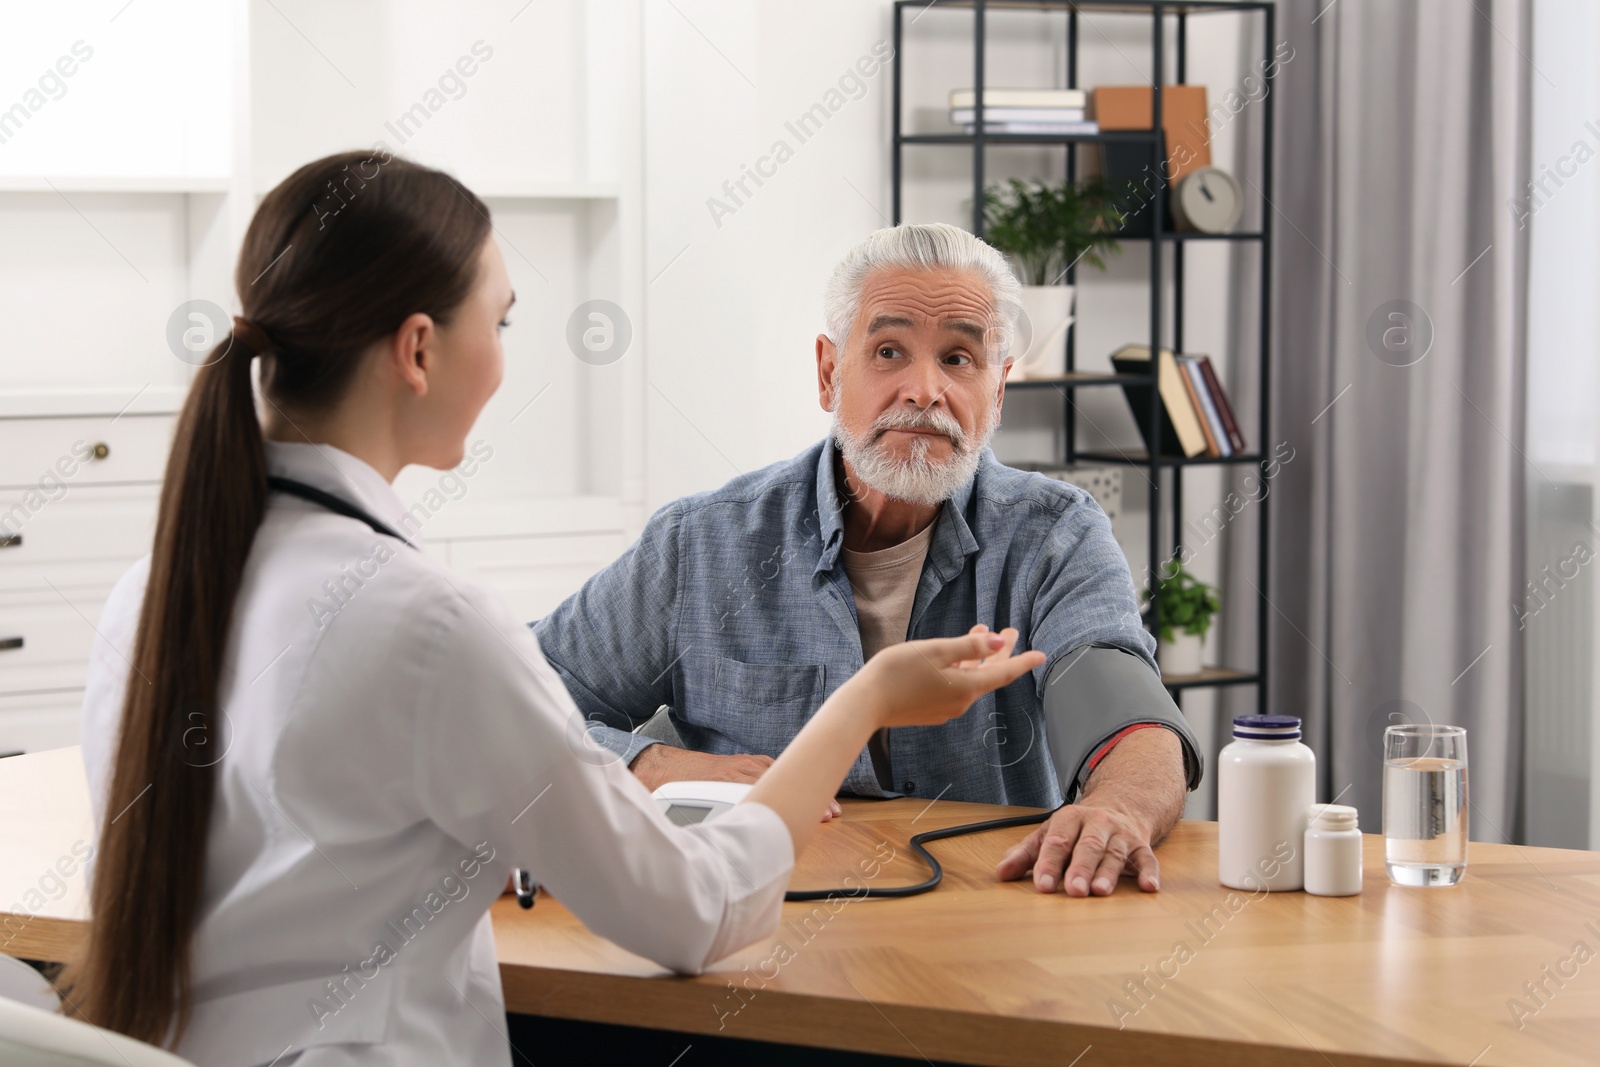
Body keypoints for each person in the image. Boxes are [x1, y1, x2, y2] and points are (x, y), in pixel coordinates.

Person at [63, 152, 1043, 1066]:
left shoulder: (148, 594)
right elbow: (695, 913)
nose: (500, 357)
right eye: (501, 321)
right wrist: (861, 701)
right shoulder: (428, 625)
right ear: (417, 349)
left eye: (960, 358)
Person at [534, 222, 1204, 901]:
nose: (924, 390)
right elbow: (521, 703)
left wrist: (1118, 807)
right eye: (889, 351)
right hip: (751, 924)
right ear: (829, 373)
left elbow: (1132, 719)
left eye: (959, 359)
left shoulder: (1055, 536)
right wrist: (651, 763)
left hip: (987, 930)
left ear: (997, 390)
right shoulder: (700, 544)